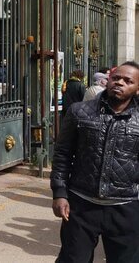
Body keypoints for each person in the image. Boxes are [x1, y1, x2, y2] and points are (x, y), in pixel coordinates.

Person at [51, 61, 139, 263]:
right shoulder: (79, 112)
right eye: (116, 78)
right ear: (108, 80)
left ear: (137, 88)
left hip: (126, 207)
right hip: (81, 204)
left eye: (128, 81)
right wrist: (59, 193)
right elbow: (63, 154)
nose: (120, 83)